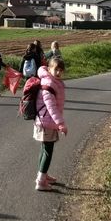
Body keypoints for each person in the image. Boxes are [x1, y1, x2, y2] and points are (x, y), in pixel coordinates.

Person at [34, 55, 67, 191]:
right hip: (47, 122)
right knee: (48, 151)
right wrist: (61, 124)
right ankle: (41, 181)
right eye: (56, 70)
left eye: (61, 70)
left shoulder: (52, 81)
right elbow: (51, 107)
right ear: (49, 69)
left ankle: (43, 175)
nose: (59, 73)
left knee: (45, 150)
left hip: (46, 121)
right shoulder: (49, 84)